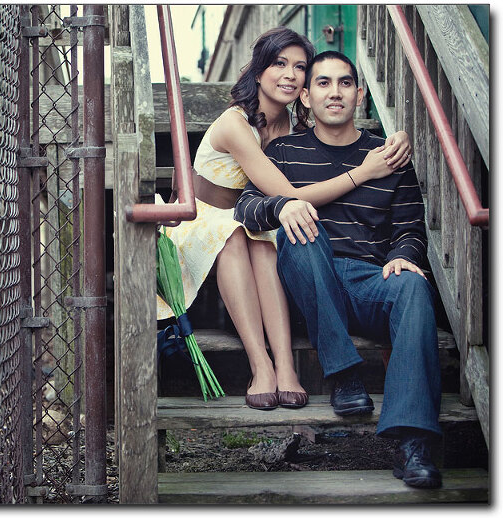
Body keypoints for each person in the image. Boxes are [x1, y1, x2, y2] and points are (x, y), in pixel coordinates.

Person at [157, 27, 413, 410]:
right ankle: (260, 365)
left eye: (299, 67)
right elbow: (288, 195)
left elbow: (326, 154)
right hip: (204, 221)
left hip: (254, 221)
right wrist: (363, 172)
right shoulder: (235, 123)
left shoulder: (295, 127)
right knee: (236, 235)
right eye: (279, 64)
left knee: (264, 240)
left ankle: (286, 366)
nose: (290, 75)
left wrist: (399, 136)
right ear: (259, 70)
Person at [234, 50, 442, 488]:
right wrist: (283, 205)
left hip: (370, 280)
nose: (335, 92)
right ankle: (344, 374)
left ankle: (414, 444)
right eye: (323, 83)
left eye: (345, 83)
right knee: (302, 231)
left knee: (414, 287)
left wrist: (404, 255)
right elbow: (247, 208)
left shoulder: (387, 156)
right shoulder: (284, 151)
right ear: (306, 97)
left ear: (360, 95)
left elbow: (410, 227)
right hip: (308, 282)